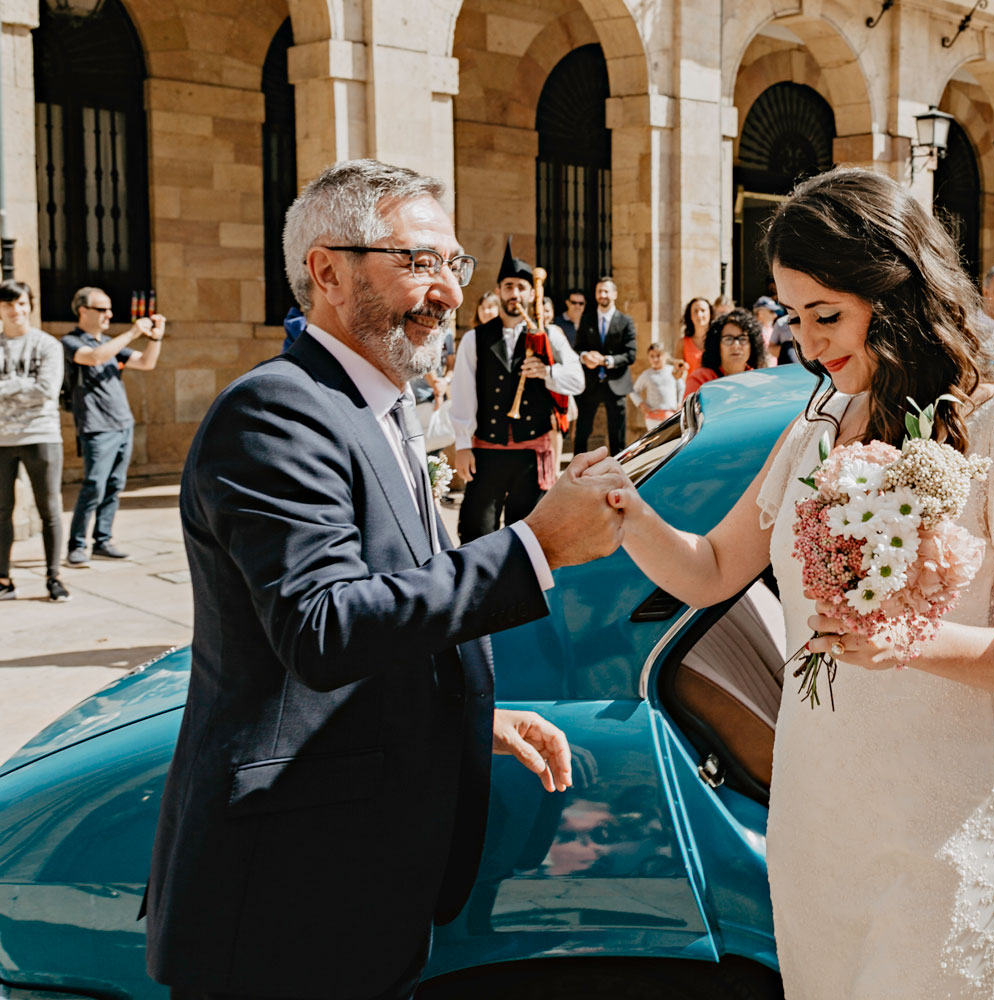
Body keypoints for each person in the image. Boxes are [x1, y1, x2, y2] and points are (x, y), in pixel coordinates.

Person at [590, 167, 994, 998]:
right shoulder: (816, 426)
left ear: (896, 290)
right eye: (794, 319)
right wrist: (625, 510)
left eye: (827, 315)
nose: (810, 344)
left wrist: (911, 640)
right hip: (818, 816)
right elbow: (713, 568)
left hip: (948, 826)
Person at [145, 159, 631, 1000]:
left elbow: (386, 601)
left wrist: (461, 716)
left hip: (360, 880)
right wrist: (533, 547)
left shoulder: (377, 405)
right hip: (287, 899)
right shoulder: (278, 411)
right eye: (416, 261)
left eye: (453, 264)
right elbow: (322, 627)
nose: (445, 288)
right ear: (326, 270)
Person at [450, 239, 584, 541]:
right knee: (476, 530)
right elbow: (462, 394)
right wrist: (462, 445)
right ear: (498, 291)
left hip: (531, 454)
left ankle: (518, 588)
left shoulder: (549, 335)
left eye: (522, 287)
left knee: (526, 535)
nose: (515, 293)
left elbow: (577, 380)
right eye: (508, 286)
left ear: (532, 293)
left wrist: (547, 372)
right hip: (487, 452)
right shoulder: (475, 338)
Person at [60, 286, 165, 566]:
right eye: (102, 309)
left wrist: (155, 338)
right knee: (94, 485)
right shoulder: (72, 342)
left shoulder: (109, 343)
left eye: (109, 309)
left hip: (122, 423)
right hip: (96, 426)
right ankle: (77, 544)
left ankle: (103, 540)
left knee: (115, 485)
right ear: (83, 311)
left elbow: (146, 362)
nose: (109, 314)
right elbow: (93, 358)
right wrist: (133, 332)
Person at [0, 280, 68, 602]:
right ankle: (3, 580)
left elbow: (47, 391)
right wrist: (21, 384)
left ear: (30, 305)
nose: (16, 310)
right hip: (0, 440)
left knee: (49, 509)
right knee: (1, 512)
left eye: (21, 303)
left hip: (41, 435)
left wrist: (6, 385)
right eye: (9, 304)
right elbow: (34, 389)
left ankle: (54, 576)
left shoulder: (47, 345)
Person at [573, 276, 637, 455]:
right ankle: (577, 473)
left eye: (606, 291)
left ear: (615, 294)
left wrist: (605, 360)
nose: (603, 294)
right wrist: (585, 357)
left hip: (616, 385)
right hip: (590, 386)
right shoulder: (586, 320)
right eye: (599, 291)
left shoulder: (626, 321)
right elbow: (577, 350)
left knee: (617, 437)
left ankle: (619, 473)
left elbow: (630, 355)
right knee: (582, 433)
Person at [684, 307, 766, 396]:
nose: (736, 345)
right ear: (717, 345)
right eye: (728, 339)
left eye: (743, 339)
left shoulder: (758, 379)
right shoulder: (700, 380)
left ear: (752, 345)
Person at [629, 342, 685, 431]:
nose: (655, 359)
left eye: (658, 355)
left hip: (671, 415)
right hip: (653, 417)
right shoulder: (647, 374)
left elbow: (681, 388)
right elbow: (633, 391)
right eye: (652, 356)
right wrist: (641, 404)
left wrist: (679, 403)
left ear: (665, 355)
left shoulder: (672, 371)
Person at [680, 296, 712, 371]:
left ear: (710, 314)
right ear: (690, 315)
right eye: (695, 311)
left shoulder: (718, 341)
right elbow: (677, 372)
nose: (699, 315)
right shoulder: (682, 343)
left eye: (703, 310)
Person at [752, 295, 785, 365]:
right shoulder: (752, 331)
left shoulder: (771, 329)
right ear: (760, 313)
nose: (775, 315)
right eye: (771, 311)